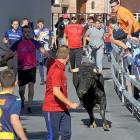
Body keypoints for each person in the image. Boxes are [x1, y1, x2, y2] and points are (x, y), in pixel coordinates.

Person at [0, 25, 51, 113]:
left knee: (31, 86)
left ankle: (29, 107)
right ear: (22, 33)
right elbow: (9, 53)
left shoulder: (34, 42)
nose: (27, 33)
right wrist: (1, 61)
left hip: (32, 67)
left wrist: (49, 56)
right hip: (21, 68)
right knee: (21, 89)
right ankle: (22, 99)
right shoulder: (18, 43)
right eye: (25, 32)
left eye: (28, 32)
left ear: (30, 32)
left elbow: (42, 49)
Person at [42, 45, 79, 140]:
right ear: (68, 56)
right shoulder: (57, 69)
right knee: (53, 137)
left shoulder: (61, 68)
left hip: (63, 108)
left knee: (66, 134)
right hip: (52, 108)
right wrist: (71, 104)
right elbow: (56, 92)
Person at [0, 69, 27, 140]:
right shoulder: (15, 100)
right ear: (15, 83)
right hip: (8, 136)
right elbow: (14, 121)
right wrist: (24, 138)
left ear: (0, 84)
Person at [34, 18, 55, 85]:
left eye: (42, 24)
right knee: (40, 64)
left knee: (47, 63)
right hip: (39, 49)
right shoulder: (36, 31)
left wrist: (52, 44)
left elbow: (53, 37)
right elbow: (34, 39)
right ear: (38, 24)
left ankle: (50, 77)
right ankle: (42, 79)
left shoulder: (47, 30)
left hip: (46, 49)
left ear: (43, 24)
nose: (41, 25)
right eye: (39, 24)